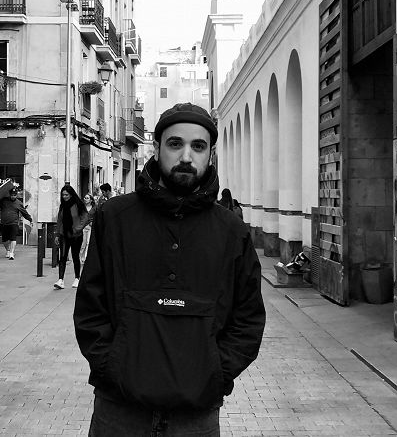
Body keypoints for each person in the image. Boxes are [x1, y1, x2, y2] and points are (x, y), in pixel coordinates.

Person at [74, 103, 265, 436]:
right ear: (157, 147)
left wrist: (215, 373)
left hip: (196, 416)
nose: (186, 156)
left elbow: (248, 318)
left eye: (198, 146)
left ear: (211, 154)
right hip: (119, 411)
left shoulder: (231, 231)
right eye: (176, 144)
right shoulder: (115, 218)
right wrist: (112, 366)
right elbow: (91, 306)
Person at [54, 185, 89, 290]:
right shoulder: (62, 206)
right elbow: (59, 220)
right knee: (62, 257)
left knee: (75, 256)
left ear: (71, 194)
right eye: (63, 195)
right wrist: (57, 235)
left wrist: (78, 229)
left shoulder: (78, 204)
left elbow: (85, 218)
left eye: (66, 195)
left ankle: (77, 278)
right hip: (64, 235)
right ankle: (60, 280)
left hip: (76, 235)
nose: (64, 197)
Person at [0, 185, 33, 260]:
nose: (13, 196)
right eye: (12, 195)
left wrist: (30, 219)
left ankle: (11, 253)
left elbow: (24, 213)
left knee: (13, 238)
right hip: (4, 223)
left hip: (14, 223)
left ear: (16, 195)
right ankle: (8, 250)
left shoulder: (19, 203)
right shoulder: (3, 201)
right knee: (4, 240)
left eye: (15, 195)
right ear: (9, 194)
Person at [80, 192, 97, 266]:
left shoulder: (94, 208)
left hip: (90, 227)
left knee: (88, 243)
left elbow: (96, 217)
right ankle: (80, 257)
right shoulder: (82, 207)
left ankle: (85, 258)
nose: (85, 199)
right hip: (83, 227)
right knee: (83, 244)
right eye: (85, 198)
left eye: (87, 198)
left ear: (91, 200)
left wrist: (92, 222)